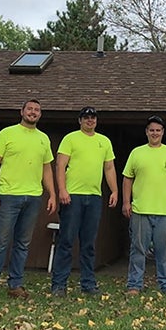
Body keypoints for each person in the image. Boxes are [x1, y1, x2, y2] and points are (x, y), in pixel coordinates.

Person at [0, 99, 56, 299]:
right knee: (0, 243)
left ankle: (15, 284)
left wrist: (52, 194)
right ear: (21, 111)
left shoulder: (43, 139)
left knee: (22, 244)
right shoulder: (7, 134)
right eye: (30, 109)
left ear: (40, 115)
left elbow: (46, 168)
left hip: (33, 197)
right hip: (7, 195)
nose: (33, 112)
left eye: (37, 110)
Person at [50, 106, 119, 297]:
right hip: (73, 196)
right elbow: (60, 165)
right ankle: (59, 285)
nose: (90, 120)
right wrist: (62, 190)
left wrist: (114, 190)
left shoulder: (104, 141)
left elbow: (109, 168)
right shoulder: (70, 138)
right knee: (66, 240)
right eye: (86, 117)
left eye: (93, 117)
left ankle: (88, 284)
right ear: (80, 120)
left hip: (94, 197)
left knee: (88, 243)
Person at [122, 115, 166, 296]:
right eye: (152, 130)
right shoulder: (137, 153)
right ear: (146, 132)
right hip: (140, 210)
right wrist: (126, 202)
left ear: (163, 132)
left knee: (164, 251)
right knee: (138, 250)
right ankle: (134, 285)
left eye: (158, 130)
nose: (155, 133)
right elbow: (127, 178)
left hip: (164, 212)